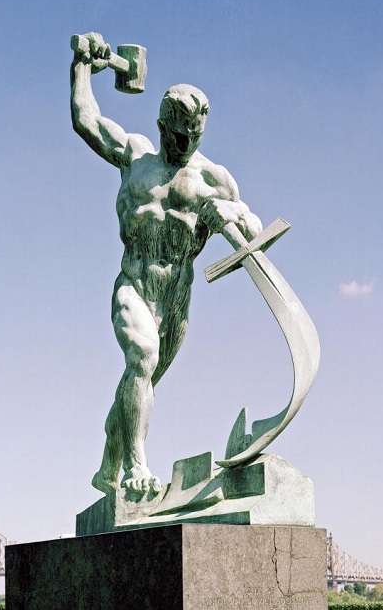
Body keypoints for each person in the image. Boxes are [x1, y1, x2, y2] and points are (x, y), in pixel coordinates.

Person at [71, 32, 262, 496]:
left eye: (196, 135)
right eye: (180, 135)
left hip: (176, 302)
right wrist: (82, 68)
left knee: (142, 381)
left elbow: (254, 231)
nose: (187, 143)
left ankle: (107, 465)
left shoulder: (215, 179)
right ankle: (136, 465)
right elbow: (86, 120)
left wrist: (234, 215)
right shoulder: (135, 156)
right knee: (142, 356)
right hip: (134, 285)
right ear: (162, 126)